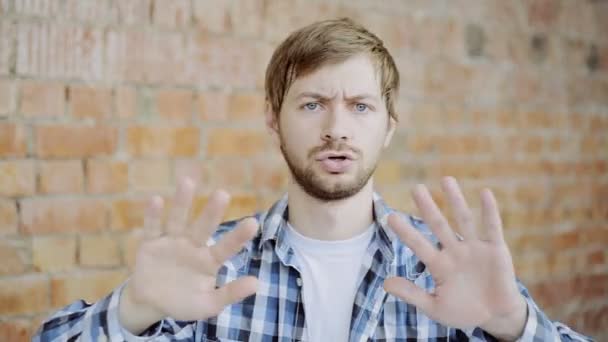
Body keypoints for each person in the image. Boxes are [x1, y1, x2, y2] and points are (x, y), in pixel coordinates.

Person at [34, 18, 592, 342]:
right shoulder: (211, 271)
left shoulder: (444, 272)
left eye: (360, 107)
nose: (336, 129)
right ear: (274, 120)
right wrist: (133, 311)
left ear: (389, 128)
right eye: (312, 104)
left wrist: (514, 325)